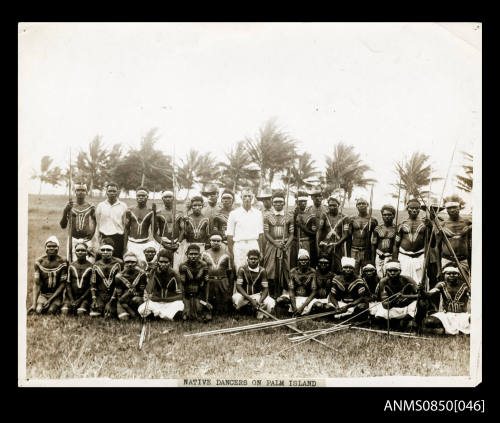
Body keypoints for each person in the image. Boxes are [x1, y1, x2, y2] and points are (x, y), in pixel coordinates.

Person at [392, 198, 432, 286]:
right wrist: (395, 260)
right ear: (407, 208)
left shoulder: (425, 224)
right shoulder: (402, 224)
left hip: (420, 257)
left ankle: (419, 299)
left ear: (420, 209)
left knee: (420, 283)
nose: (414, 210)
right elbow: (396, 244)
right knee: (403, 281)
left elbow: (431, 243)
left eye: (417, 208)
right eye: (412, 208)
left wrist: (431, 227)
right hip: (404, 257)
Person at [421, 264, 470, 335]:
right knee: (427, 321)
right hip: (446, 316)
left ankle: (443, 332)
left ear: (459, 275)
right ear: (444, 275)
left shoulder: (465, 286)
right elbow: (429, 294)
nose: (451, 275)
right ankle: (444, 331)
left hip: (462, 316)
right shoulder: (441, 285)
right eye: (448, 273)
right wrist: (422, 291)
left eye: (454, 273)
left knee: (475, 320)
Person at [335, 198, 378, 276]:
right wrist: (348, 254)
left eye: (363, 203)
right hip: (354, 250)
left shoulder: (373, 220)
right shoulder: (352, 219)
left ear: (367, 205)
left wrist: (371, 253)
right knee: (353, 272)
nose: (361, 205)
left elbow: (375, 238)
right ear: (356, 206)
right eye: (359, 204)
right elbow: (348, 236)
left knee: (366, 272)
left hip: (366, 250)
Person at [370, 260, 419, 329]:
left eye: (395, 271)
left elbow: (419, 296)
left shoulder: (408, 279)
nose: (392, 273)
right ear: (386, 272)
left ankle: (401, 323)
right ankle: (395, 323)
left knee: (418, 305)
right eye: (390, 271)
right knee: (379, 317)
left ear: (400, 271)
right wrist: (396, 299)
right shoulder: (383, 282)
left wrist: (405, 296)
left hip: (405, 306)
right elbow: (385, 305)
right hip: (391, 307)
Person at [263, 192, 294, 298]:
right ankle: (271, 293)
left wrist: (286, 244)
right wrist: (276, 243)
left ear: (284, 202)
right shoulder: (267, 216)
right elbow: (266, 234)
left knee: (284, 268)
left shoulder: (289, 216)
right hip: (272, 245)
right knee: (271, 268)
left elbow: (291, 234)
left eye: (280, 202)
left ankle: (282, 293)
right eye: (276, 202)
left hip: (285, 246)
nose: (278, 204)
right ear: (272, 203)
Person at [138, 249, 184, 320]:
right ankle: (163, 316)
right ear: (157, 262)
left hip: (170, 303)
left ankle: (158, 316)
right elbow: (149, 290)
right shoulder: (154, 273)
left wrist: (164, 299)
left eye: (166, 262)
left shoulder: (175, 274)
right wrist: (152, 271)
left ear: (170, 262)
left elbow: (180, 296)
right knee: (141, 309)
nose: (163, 264)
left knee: (179, 305)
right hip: (156, 303)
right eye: (161, 262)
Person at [226, 188, 264, 272]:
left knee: (254, 272)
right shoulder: (234, 214)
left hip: (253, 244)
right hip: (239, 246)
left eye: (249, 196)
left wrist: (261, 251)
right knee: (240, 271)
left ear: (252, 197)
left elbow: (261, 234)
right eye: (245, 196)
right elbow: (229, 235)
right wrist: (231, 253)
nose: (247, 198)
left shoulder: (258, 213)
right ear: (241, 197)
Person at [28, 236, 67, 315]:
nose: (51, 248)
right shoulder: (39, 262)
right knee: (38, 310)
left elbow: (63, 285)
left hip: (56, 296)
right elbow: (37, 284)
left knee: (51, 311)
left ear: (58, 248)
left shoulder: (63, 262)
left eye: (54, 246)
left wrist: (50, 300)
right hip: (43, 295)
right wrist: (34, 304)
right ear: (45, 248)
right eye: (49, 246)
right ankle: (40, 305)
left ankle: (57, 306)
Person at [436, 198, 472, 282]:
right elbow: (437, 248)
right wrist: (438, 269)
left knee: (464, 286)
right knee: (447, 287)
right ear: (446, 210)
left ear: (459, 207)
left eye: (455, 207)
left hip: (463, 260)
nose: (452, 210)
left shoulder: (467, 223)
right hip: (447, 260)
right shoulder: (442, 225)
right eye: (449, 208)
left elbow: (471, 247)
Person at [59, 182, 97, 262]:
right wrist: (65, 211)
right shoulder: (70, 206)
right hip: (73, 239)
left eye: (83, 190)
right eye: (78, 190)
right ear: (75, 192)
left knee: (89, 263)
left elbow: (94, 222)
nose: (80, 192)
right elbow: (63, 225)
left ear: (86, 192)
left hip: (87, 240)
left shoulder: (90, 206)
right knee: (71, 262)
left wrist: (91, 235)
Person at [233, 249, 275, 319]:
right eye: (251, 259)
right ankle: (244, 311)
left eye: (255, 259)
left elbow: (265, 289)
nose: (253, 261)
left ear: (259, 260)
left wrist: (260, 301)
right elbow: (238, 286)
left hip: (258, 296)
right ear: (247, 260)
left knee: (270, 302)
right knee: (236, 298)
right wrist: (250, 299)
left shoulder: (262, 270)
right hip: (244, 296)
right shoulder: (242, 269)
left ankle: (257, 310)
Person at [276, 249, 317, 316]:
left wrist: (302, 307)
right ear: (298, 261)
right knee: (279, 300)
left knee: (317, 305)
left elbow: (313, 292)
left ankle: (302, 311)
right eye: (301, 260)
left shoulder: (312, 272)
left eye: (305, 260)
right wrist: (294, 307)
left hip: (307, 299)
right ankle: (292, 310)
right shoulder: (293, 272)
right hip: (295, 298)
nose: (303, 262)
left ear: (309, 261)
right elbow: (291, 291)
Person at [178, 244, 212, 322]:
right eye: (191, 254)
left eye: (195, 254)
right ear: (187, 254)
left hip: (199, 293)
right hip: (187, 293)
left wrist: (206, 300)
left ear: (199, 255)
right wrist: (183, 299)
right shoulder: (183, 265)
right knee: (186, 316)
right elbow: (182, 282)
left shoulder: (203, 265)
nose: (193, 256)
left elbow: (206, 282)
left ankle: (202, 310)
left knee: (202, 312)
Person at [89, 241, 123, 318]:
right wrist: (94, 299)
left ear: (112, 251)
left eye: (108, 250)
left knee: (109, 316)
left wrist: (111, 301)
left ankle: (113, 307)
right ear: (100, 252)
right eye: (103, 250)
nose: (105, 252)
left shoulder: (119, 263)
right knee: (94, 315)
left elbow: (119, 284)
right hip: (100, 295)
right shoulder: (96, 265)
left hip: (114, 295)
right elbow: (93, 284)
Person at [201, 234, 234, 315]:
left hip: (222, 281)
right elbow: (200, 269)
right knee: (208, 304)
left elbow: (230, 272)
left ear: (221, 242)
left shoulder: (227, 254)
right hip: (209, 281)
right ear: (210, 241)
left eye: (218, 241)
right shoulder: (204, 253)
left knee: (224, 309)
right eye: (213, 240)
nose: (216, 242)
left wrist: (230, 287)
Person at [95, 182, 128, 259]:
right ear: (106, 192)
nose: (112, 193)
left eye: (114, 191)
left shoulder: (123, 206)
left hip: (118, 237)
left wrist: (125, 243)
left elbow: (125, 225)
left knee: (118, 259)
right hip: (104, 236)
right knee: (103, 259)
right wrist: (98, 239)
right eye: (110, 191)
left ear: (118, 192)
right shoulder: (101, 206)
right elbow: (98, 223)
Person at [154, 190, 184, 271]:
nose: (168, 199)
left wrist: (178, 243)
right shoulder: (158, 213)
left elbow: (183, 230)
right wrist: (164, 244)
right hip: (163, 243)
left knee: (176, 268)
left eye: (170, 197)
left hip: (176, 243)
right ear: (162, 199)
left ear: (173, 198)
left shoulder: (179, 213)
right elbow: (154, 233)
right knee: (162, 266)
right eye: (165, 197)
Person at [123, 187, 157, 259]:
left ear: (147, 197)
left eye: (143, 196)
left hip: (144, 243)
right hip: (132, 243)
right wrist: (125, 246)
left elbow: (154, 230)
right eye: (138, 196)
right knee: (131, 264)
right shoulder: (130, 210)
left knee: (144, 265)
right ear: (136, 197)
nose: (140, 197)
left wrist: (155, 213)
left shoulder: (150, 211)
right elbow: (126, 229)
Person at [114, 252, 149, 320]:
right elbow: (120, 299)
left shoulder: (142, 275)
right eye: (127, 262)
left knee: (137, 299)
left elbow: (142, 293)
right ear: (124, 263)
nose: (130, 264)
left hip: (136, 300)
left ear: (136, 263)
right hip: (123, 301)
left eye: (133, 262)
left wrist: (135, 294)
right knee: (124, 319)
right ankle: (133, 314)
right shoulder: (118, 277)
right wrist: (127, 294)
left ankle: (140, 314)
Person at [316, 196, 346, 274]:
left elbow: (346, 234)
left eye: (334, 205)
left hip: (338, 246)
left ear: (338, 206)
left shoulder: (344, 217)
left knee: (338, 267)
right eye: (330, 205)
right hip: (325, 246)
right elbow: (319, 230)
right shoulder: (324, 216)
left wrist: (336, 244)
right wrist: (318, 244)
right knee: (325, 266)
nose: (332, 207)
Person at [61, 242, 93, 316]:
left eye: (83, 250)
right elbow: (68, 284)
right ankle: (71, 305)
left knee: (80, 312)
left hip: (85, 297)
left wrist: (80, 299)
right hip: (71, 296)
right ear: (75, 252)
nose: (80, 252)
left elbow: (91, 286)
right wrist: (71, 299)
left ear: (86, 252)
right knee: (64, 312)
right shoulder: (71, 266)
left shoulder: (91, 267)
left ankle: (83, 307)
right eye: (78, 250)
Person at [290, 192, 316, 269]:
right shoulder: (291, 214)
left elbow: (313, 233)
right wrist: (295, 216)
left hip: (305, 242)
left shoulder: (311, 216)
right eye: (301, 202)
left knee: (305, 260)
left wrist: (302, 226)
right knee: (294, 262)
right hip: (294, 242)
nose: (303, 203)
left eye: (305, 201)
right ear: (297, 203)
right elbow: (290, 230)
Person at [371, 204, 397, 278]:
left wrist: (395, 259)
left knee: (390, 276)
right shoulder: (377, 229)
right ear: (382, 216)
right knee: (379, 276)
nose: (387, 217)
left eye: (389, 215)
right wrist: (372, 260)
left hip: (390, 256)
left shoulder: (396, 229)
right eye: (384, 215)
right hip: (379, 256)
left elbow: (396, 245)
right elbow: (374, 245)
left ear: (394, 216)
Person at [307, 187, 327, 267]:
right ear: (312, 198)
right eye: (315, 196)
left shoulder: (326, 209)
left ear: (322, 197)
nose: (317, 198)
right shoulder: (308, 210)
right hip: (312, 237)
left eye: (319, 196)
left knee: (324, 257)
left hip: (324, 236)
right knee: (312, 257)